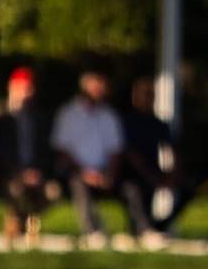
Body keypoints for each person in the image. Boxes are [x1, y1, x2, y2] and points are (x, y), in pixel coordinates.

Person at [52, 71, 126, 248]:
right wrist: (85, 173)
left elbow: (116, 152)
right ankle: (92, 231)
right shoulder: (69, 114)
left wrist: (109, 175)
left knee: (131, 187)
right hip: (75, 171)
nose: (100, 93)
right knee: (79, 184)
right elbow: (61, 150)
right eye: (96, 89)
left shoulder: (109, 116)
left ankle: (144, 230)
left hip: (104, 172)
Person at [121, 77, 190, 246]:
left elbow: (176, 150)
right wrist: (151, 175)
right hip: (130, 173)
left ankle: (160, 225)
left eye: (151, 96)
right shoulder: (128, 123)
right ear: (135, 98)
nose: (149, 100)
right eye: (145, 96)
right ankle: (145, 229)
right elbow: (129, 154)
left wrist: (172, 175)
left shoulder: (159, 124)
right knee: (134, 188)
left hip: (154, 171)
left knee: (187, 187)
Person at [0, 67, 55, 246]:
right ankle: (16, 222)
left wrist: (38, 172)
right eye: (22, 89)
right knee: (16, 190)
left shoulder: (39, 119)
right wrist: (18, 173)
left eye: (29, 89)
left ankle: (26, 222)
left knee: (53, 192)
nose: (26, 94)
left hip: (35, 173)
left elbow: (45, 152)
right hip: (9, 174)